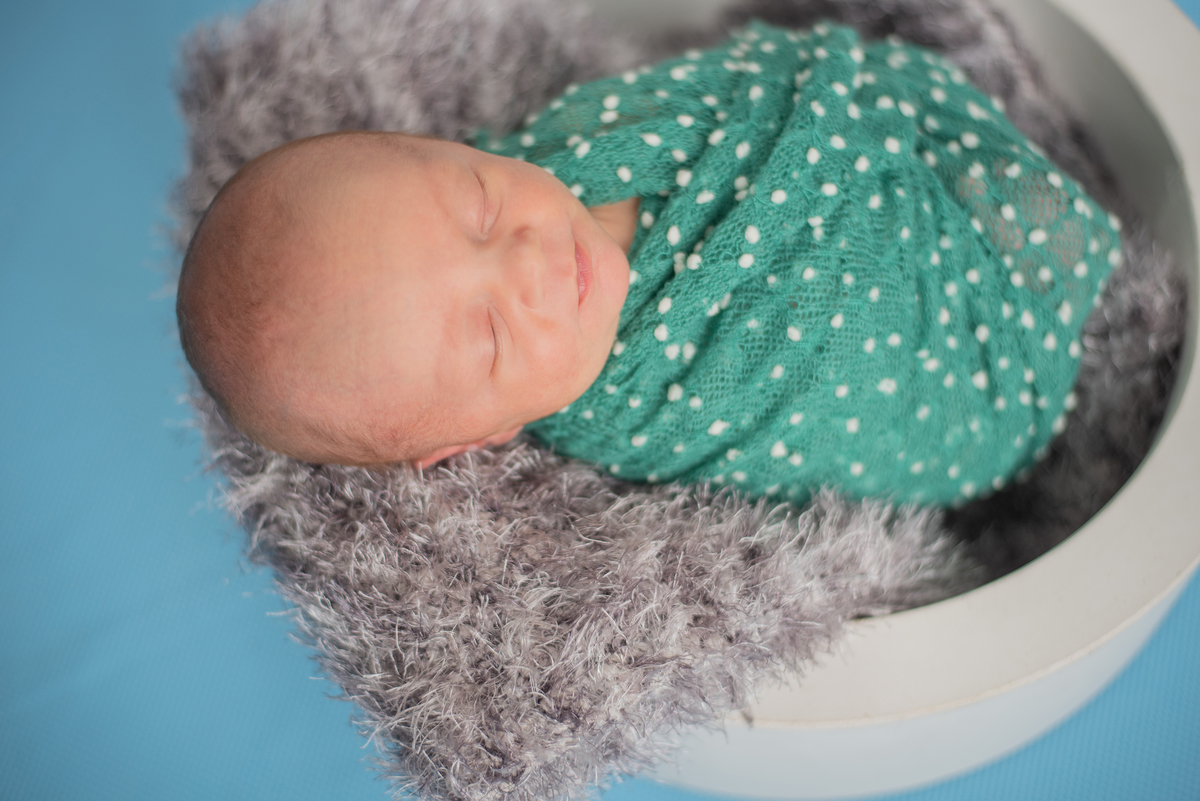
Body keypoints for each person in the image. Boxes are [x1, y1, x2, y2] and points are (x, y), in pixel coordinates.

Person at [176, 20, 1121, 506]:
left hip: (878, 143)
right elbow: (814, 415)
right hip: (938, 356)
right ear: (479, 436)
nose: (528, 264)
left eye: (478, 204)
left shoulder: (578, 138)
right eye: (493, 336)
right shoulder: (638, 410)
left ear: (456, 146)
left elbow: (740, 83)